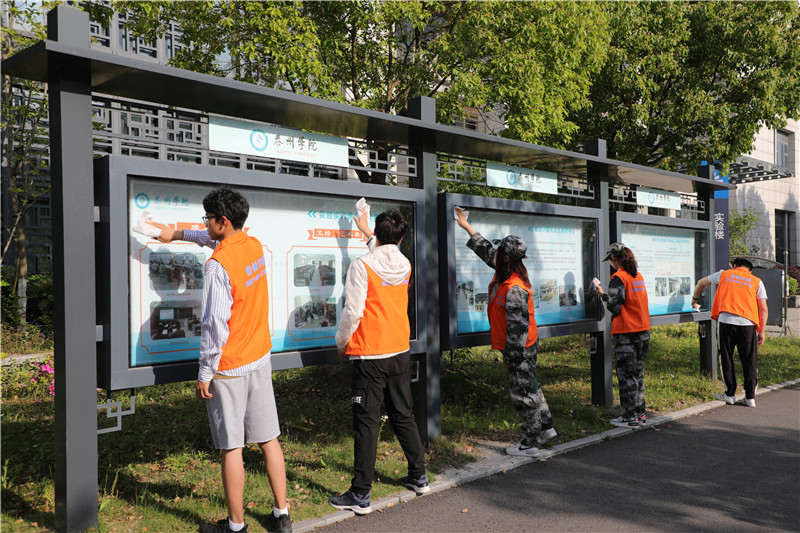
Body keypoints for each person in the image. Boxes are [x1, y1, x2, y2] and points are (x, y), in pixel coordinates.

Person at [158, 188, 291, 533]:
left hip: (229, 367)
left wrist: (205, 372)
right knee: (269, 439)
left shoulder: (218, 266)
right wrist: (178, 234)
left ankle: (236, 526)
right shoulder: (252, 245)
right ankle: (282, 515)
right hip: (259, 357)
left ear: (223, 221)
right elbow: (212, 238)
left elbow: (214, 326)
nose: (205, 224)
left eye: (208, 219)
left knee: (232, 447)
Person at [329, 208, 428, 515]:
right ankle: (419, 476)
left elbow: (353, 311)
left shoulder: (362, 266)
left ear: (378, 231)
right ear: (402, 236)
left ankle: (360, 494)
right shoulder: (405, 264)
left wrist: (342, 342)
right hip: (399, 350)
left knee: (367, 422)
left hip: (370, 354)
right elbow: (385, 253)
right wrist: (366, 231)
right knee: (402, 413)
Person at [454, 207, 556, 457]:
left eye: (500, 251)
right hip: (522, 345)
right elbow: (485, 250)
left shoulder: (515, 288)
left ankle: (530, 442)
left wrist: (513, 357)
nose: (495, 253)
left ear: (506, 257)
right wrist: (465, 224)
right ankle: (546, 427)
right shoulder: (507, 271)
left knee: (523, 392)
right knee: (531, 385)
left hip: (519, 348)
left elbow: (518, 329)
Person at [692, 258, 768, 408]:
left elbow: (701, 283)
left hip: (726, 321)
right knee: (750, 360)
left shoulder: (724, 274)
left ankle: (730, 394)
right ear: (750, 271)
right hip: (748, 324)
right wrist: (762, 331)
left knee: (726, 356)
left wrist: (695, 299)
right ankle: (750, 397)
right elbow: (764, 308)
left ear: (735, 266)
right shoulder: (757, 281)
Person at [594, 243, 651, 428]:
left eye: (610, 260)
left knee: (626, 376)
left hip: (626, 333)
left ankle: (629, 416)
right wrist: (606, 295)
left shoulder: (619, 278)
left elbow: (615, 306)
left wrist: (602, 294)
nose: (610, 264)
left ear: (614, 259)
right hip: (643, 332)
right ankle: (640, 414)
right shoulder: (638, 276)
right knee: (638, 375)